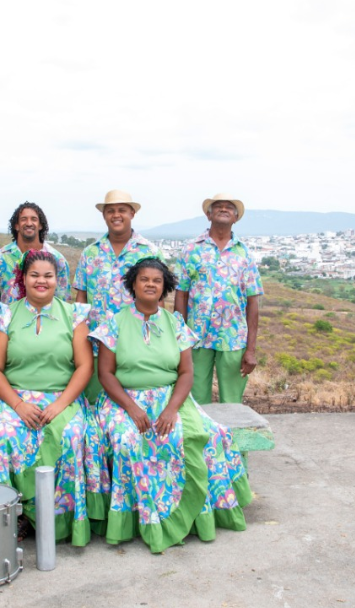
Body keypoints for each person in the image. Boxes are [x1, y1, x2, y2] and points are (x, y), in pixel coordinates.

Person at [87, 257, 251, 552]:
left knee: (209, 435)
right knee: (128, 440)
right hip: (124, 398)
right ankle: (143, 519)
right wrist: (132, 408)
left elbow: (187, 372)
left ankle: (195, 513)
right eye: (144, 279)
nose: (150, 284)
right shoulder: (114, 322)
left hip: (169, 397)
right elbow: (106, 374)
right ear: (133, 284)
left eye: (157, 280)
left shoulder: (175, 322)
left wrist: (171, 409)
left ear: (165, 287)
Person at [0, 250, 93, 545]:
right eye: (34, 275)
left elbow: (84, 366)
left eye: (48, 276)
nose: (41, 281)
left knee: (70, 433)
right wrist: (17, 405)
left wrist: (60, 405)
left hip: (62, 397)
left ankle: (58, 518)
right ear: (23, 278)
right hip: (14, 397)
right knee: (0, 432)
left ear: (59, 280)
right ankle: (13, 516)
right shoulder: (5, 315)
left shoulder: (74, 315)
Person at [173, 194, 263, 404]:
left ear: (236, 217)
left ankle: (231, 437)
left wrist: (250, 350)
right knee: (195, 401)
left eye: (229, 207)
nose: (224, 209)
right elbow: (181, 294)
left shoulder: (245, 254)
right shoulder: (191, 249)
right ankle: (201, 437)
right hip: (196, 338)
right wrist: (179, 337)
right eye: (218, 206)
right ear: (208, 214)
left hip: (233, 338)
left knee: (232, 403)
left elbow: (252, 302)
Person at [74, 189, 162, 403]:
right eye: (110, 210)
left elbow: (158, 300)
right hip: (96, 344)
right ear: (104, 215)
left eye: (122, 210)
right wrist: (79, 337)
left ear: (132, 213)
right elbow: (81, 298)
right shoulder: (91, 253)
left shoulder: (149, 252)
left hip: (136, 343)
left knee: (133, 403)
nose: (116, 215)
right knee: (94, 401)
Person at [0, 201, 70, 303]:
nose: (29, 223)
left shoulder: (57, 259)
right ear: (16, 225)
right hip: (9, 318)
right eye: (23, 219)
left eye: (34, 219)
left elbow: (62, 301)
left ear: (40, 225)